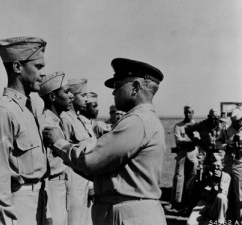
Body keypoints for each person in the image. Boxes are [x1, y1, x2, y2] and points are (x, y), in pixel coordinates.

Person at [43, 58, 167, 225]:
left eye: (117, 86)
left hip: (127, 214)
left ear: (135, 87)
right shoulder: (144, 118)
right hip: (131, 211)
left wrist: (58, 143)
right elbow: (99, 171)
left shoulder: (137, 120)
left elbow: (91, 161)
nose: (113, 93)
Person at [0, 36, 50, 225]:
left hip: (40, 203)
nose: (43, 74)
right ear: (18, 67)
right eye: (38, 67)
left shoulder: (31, 108)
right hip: (18, 208)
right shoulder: (3, 112)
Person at [37, 71, 74, 225]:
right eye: (66, 91)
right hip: (51, 189)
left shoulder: (57, 122)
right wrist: (48, 212)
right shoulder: (46, 125)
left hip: (61, 186)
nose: (71, 95)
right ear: (52, 97)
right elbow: (42, 170)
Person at [60, 78, 94, 225]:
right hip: (73, 178)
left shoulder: (81, 119)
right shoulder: (65, 119)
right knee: (74, 219)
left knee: (86, 218)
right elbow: (62, 152)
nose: (86, 99)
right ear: (72, 96)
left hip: (85, 178)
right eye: (83, 95)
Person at [164, 106, 198, 214]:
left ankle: (190, 203)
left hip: (194, 154)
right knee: (179, 177)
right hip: (182, 153)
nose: (187, 115)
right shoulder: (178, 126)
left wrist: (190, 142)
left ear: (193, 113)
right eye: (185, 113)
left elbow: (198, 139)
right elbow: (179, 140)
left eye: (189, 113)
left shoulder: (197, 126)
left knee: (192, 177)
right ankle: (176, 202)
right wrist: (191, 142)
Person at [186, 153, 231, 225]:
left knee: (221, 197)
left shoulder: (226, 176)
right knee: (190, 223)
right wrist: (196, 175)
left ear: (223, 166)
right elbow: (188, 187)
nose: (215, 168)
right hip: (203, 204)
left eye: (218, 166)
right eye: (213, 166)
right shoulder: (204, 174)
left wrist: (218, 179)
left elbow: (222, 193)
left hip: (215, 206)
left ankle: (221, 221)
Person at [216, 107, 242, 220]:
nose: (239, 123)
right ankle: (224, 218)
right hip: (228, 162)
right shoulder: (226, 129)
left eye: (240, 120)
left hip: (240, 163)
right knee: (224, 190)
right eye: (236, 121)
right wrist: (226, 146)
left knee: (239, 193)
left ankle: (239, 219)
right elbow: (218, 141)